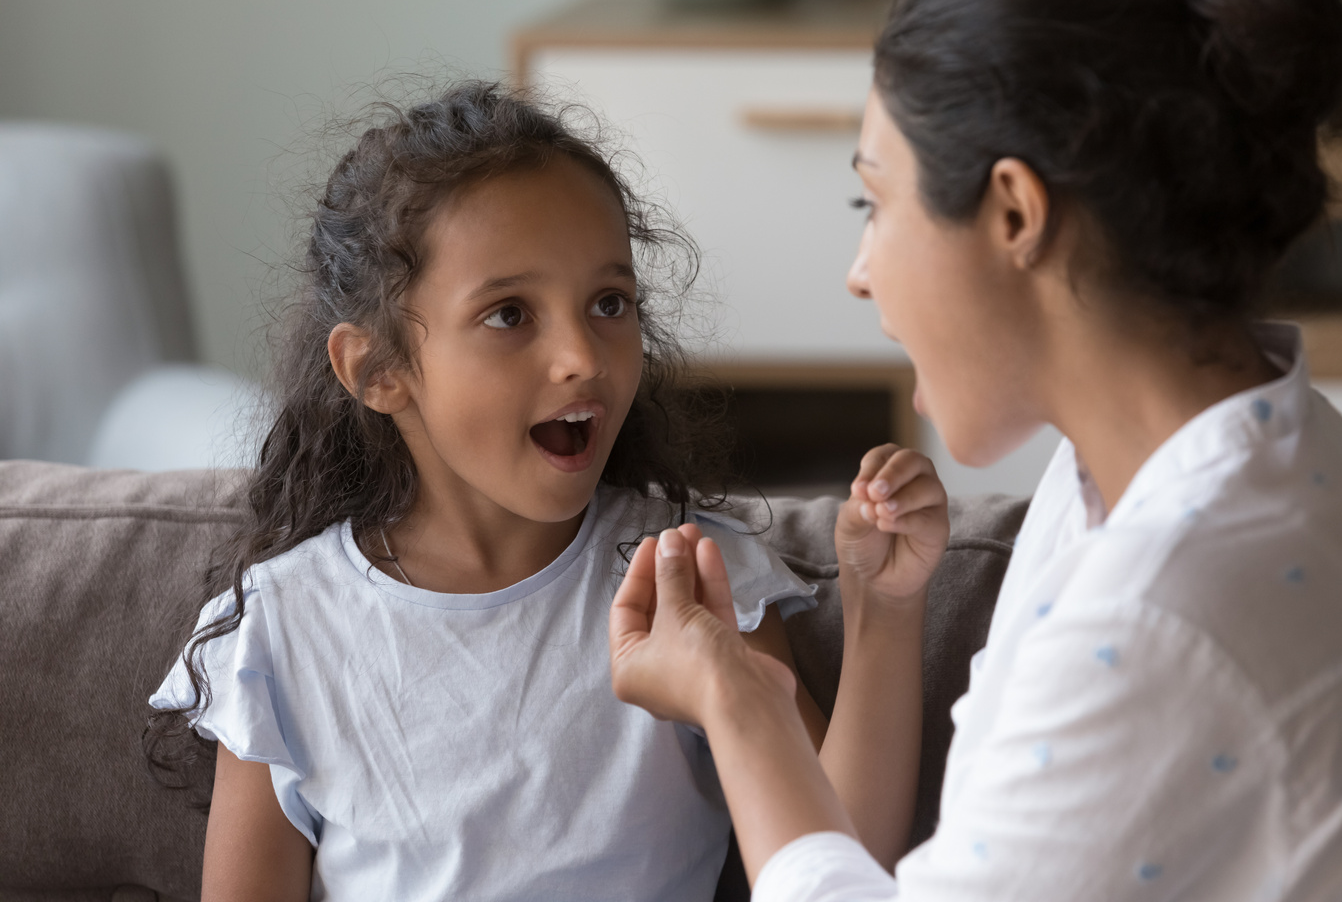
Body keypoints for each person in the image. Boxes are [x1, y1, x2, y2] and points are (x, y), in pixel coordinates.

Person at [608, 0, 1342, 901]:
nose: (860, 274)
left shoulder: (1164, 607)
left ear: (1014, 215)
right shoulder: (1250, 444)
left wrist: (738, 701)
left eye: (876, 204)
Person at [143, 82, 948, 900]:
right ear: (378, 370)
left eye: (609, 303)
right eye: (509, 315)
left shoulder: (690, 580)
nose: (582, 357)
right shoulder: (282, 634)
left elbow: (842, 869)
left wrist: (883, 609)